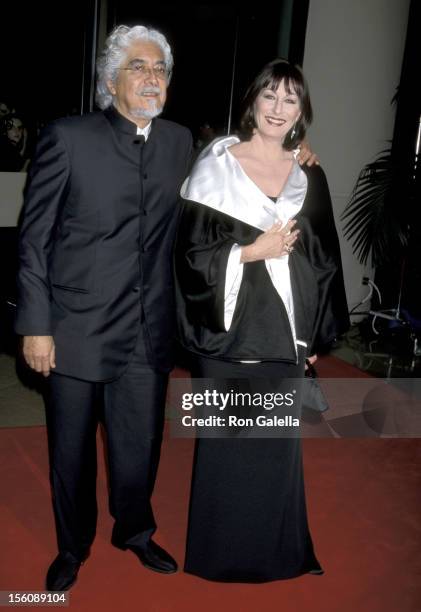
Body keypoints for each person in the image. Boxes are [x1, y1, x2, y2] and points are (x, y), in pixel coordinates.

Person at [15, 24, 192, 591]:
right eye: (138, 67)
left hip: (148, 326)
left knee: (139, 444)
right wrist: (36, 325)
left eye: (159, 69)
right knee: (71, 448)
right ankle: (73, 545)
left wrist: (294, 153)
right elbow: (34, 238)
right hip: (76, 326)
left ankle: (134, 531)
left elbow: (231, 180)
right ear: (111, 79)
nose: (151, 78)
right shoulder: (69, 137)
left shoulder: (179, 142)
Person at [174, 58, 349, 582]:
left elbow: (324, 260)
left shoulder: (309, 174)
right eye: (269, 96)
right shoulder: (214, 169)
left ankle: (278, 552)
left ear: (302, 112)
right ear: (252, 102)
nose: (278, 108)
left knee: (275, 448)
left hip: (285, 334)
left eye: (290, 99)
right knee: (227, 447)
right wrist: (251, 252)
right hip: (228, 332)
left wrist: (314, 331)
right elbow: (187, 258)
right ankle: (218, 555)